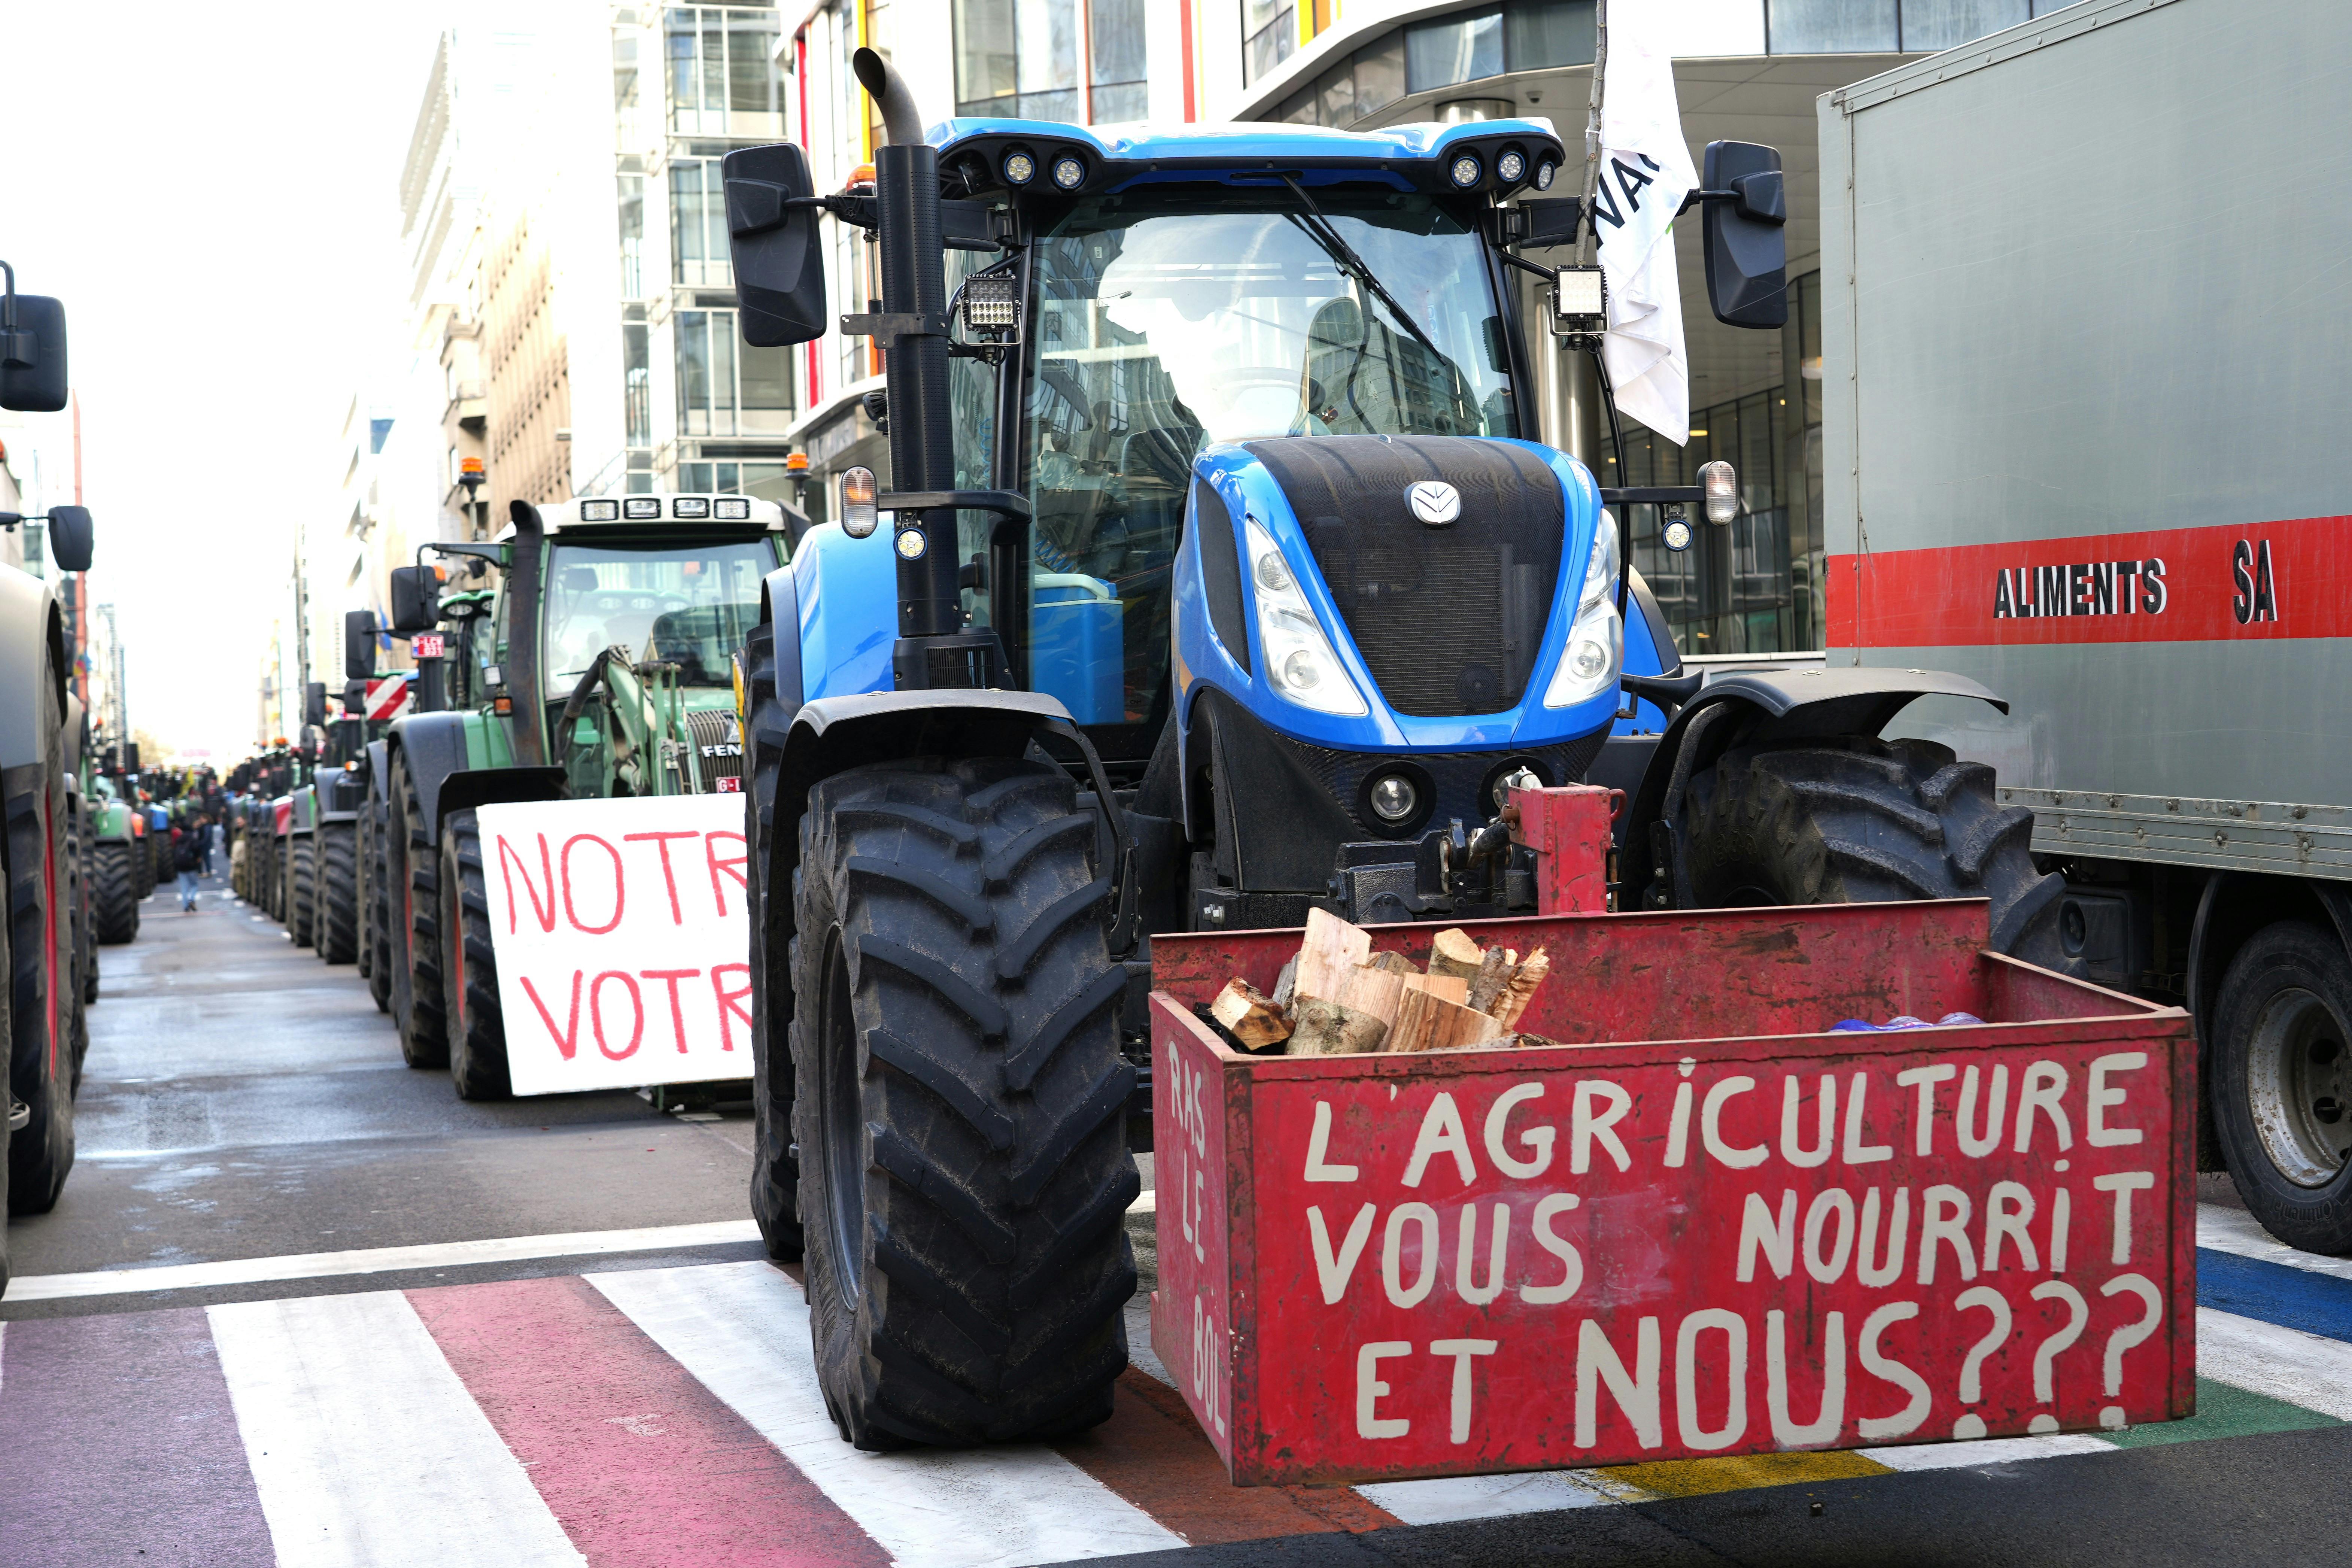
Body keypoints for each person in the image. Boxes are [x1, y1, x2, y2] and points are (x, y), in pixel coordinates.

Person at [173, 816, 204, 912]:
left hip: (181, 867)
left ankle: (186, 906)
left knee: (184, 887)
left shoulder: (179, 840)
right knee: (194, 885)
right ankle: (192, 899)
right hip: (191, 866)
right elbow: (197, 850)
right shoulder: (193, 840)